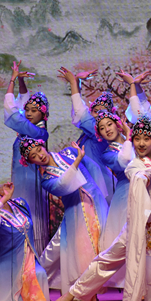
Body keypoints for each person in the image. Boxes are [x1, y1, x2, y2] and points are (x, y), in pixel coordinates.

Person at [51, 116, 151, 301]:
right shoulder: (134, 165)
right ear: (131, 140)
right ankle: (73, 293)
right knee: (109, 258)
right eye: (137, 139)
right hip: (140, 224)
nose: (142, 143)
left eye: (146, 139)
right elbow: (147, 176)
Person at [19, 137, 109, 296]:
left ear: (43, 146)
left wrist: (100, 192)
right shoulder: (46, 180)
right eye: (34, 156)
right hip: (77, 211)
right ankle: (85, 292)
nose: (40, 155)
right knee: (83, 250)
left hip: (95, 202)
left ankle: (97, 286)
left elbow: (93, 168)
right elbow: (62, 185)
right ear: (31, 162)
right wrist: (77, 161)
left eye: (39, 150)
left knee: (104, 241)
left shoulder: (69, 152)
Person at [4, 60, 50, 254]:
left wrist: (12, 81)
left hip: (31, 182)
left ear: (43, 114)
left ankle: (34, 255)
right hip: (21, 180)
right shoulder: (29, 129)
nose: (29, 113)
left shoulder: (37, 132)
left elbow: (12, 111)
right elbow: (22, 104)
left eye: (34, 111)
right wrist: (21, 82)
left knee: (32, 216)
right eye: (28, 110)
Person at [58, 66, 116, 203]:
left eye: (103, 112)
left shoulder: (101, 132)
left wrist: (74, 83)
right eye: (96, 111)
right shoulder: (88, 132)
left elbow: (81, 113)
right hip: (87, 177)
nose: (98, 115)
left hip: (99, 182)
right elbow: (79, 115)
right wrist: (77, 82)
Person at [94, 109, 135, 288]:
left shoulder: (138, 140)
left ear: (117, 124)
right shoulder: (107, 154)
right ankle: (126, 282)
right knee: (124, 236)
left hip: (146, 187)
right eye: (102, 128)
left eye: (109, 124)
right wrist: (129, 136)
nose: (107, 129)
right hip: (126, 191)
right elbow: (125, 162)